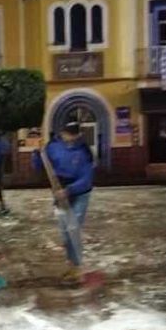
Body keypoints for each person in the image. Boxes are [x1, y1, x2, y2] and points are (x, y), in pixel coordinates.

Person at [32, 121, 94, 284]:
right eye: (67, 134)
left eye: (74, 134)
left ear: (79, 134)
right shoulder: (53, 147)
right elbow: (39, 167)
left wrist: (69, 190)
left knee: (73, 229)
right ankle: (71, 265)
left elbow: (87, 179)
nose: (70, 137)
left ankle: (76, 268)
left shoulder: (84, 152)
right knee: (65, 232)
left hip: (79, 194)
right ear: (62, 133)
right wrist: (37, 155)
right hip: (59, 190)